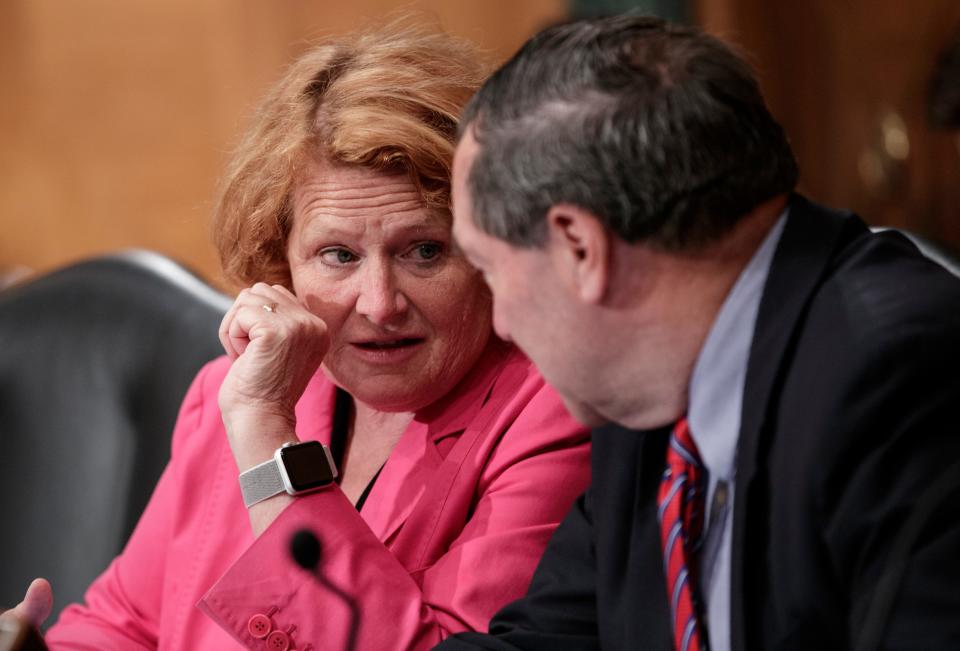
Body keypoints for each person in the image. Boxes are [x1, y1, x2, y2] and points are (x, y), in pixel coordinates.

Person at [2, 23, 591, 650]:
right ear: (280, 262)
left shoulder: (550, 412)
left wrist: (265, 435)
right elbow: (123, 625)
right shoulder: (223, 394)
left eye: (424, 250)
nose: (380, 303)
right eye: (338, 255)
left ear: (491, 248)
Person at [440, 14, 960, 651]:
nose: (500, 322)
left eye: (490, 270)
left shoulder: (899, 374)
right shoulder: (647, 391)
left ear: (579, 246)